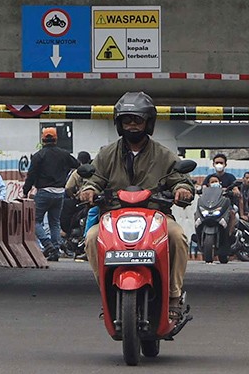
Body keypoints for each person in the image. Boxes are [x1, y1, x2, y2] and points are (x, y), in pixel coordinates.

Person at [80, 91, 193, 322]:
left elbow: (179, 178)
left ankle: (173, 296)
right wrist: (89, 190)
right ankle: (107, 294)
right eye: (127, 120)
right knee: (92, 238)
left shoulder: (163, 154)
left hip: (156, 217)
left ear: (148, 122)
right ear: (119, 123)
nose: (132, 125)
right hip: (114, 217)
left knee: (178, 237)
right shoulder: (106, 154)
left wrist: (183, 190)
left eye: (137, 120)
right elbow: (94, 178)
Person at [22, 127, 80, 261]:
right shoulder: (64, 154)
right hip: (59, 193)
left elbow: (31, 175)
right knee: (55, 223)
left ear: (42, 140)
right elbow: (77, 165)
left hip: (43, 193)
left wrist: (25, 191)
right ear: (56, 139)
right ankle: (56, 249)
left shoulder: (38, 156)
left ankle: (47, 244)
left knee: (35, 221)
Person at [202, 153, 241, 236]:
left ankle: (229, 236)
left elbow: (236, 189)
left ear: (225, 164)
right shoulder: (209, 177)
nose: (219, 165)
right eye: (217, 163)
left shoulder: (230, 177)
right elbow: (203, 188)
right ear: (213, 164)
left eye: (221, 163)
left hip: (227, 205)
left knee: (233, 214)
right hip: (211, 205)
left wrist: (235, 191)